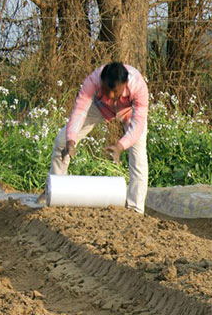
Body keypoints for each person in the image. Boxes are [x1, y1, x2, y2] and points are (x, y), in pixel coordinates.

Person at [45, 61, 149, 213]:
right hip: (100, 108)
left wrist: (120, 146)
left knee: (138, 159)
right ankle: (55, 193)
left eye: (116, 91)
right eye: (108, 90)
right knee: (62, 142)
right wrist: (71, 140)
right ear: (102, 81)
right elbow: (80, 110)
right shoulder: (93, 81)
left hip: (129, 114)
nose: (112, 95)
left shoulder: (138, 86)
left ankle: (135, 209)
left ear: (125, 84)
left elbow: (139, 123)